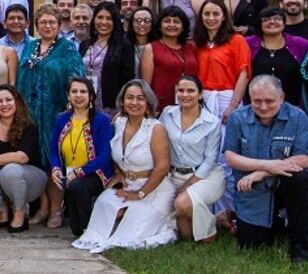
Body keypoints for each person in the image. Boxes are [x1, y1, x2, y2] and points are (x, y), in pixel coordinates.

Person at [72, 79, 176, 253]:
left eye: (140, 98)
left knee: (132, 228)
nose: (134, 103)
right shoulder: (118, 122)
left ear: (148, 102)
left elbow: (163, 167)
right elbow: (115, 153)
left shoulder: (155, 128)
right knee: (105, 203)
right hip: (128, 184)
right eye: (130, 98)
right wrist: (119, 172)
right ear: (123, 101)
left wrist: (140, 193)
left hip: (154, 190)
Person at [224, 75, 308, 262]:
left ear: (282, 98)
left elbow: (304, 158)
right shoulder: (238, 118)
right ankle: (274, 225)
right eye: (257, 101)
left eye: (270, 101)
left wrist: (263, 172)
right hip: (254, 192)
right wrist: (268, 165)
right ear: (249, 97)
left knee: (299, 178)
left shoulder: (297, 116)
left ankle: (300, 245)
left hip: (285, 185)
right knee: (252, 244)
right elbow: (231, 157)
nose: (263, 107)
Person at [17, 3, 86, 205]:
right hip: (29, 112)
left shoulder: (67, 48)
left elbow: (76, 78)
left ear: (58, 25)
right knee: (34, 159)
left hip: (54, 112)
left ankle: (56, 208)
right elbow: (22, 77)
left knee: (52, 160)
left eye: (52, 22)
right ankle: (43, 207)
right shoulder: (30, 46)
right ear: (37, 24)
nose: (47, 26)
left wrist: (70, 106)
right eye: (43, 22)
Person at [0, 84, 47, 233]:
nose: (4, 104)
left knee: (10, 169)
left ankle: (19, 212)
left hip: (29, 180)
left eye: (8, 100)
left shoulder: (28, 126)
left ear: (16, 102)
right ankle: (3, 210)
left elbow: (22, 157)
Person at [160, 76, 225, 242]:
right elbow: (157, 139)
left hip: (205, 176)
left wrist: (186, 186)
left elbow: (211, 159)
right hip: (174, 174)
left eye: (190, 90)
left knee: (182, 204)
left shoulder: (211, 122)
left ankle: (210, 232)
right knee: (187, 236)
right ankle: (217, 220)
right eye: (181, 90)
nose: (185, 94)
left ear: (201, 94)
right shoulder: (167, 114)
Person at [48, 77, 114, 234]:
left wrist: (79, 172)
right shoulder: (61, 119)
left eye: (83, 91)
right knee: (74, 228)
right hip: (70, 174)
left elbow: (104, 155)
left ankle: (90, 232)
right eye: (74, 91)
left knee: (78, 185)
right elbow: (53, 150)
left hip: (96, 174)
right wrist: (56, 168)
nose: (78, 95)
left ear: (91, 96)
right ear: (68, 96)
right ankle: (81, 228)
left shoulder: (102, 120)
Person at [194, 0, 251, 124]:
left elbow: (244, 74)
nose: (211, 18)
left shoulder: (237, 40)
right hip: (201, 99)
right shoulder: (197, 43)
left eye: (216, 14)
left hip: (227, 99)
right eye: (206, 14)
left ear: (224, 16)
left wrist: (233, 106)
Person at [245, 7, 308, 110]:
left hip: (293, 108)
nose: (272, 22)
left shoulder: (301, 44)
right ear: (259, 24)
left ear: (284, 23)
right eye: (266, 19)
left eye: (277, 19)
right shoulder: (247, 44)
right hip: (256, 108)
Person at [82, 2, 137, 115]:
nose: (104, 22)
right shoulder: (85, 44)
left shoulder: (124, 45)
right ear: (94, 20)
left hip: (112, 108)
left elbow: (128, 79)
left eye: (109, 18)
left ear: (115, 22)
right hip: (85, 105)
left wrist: (123, 108)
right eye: (100, 17)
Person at [141, 7, 199, 115]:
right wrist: (148, 107)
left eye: (176, 22)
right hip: (162, 107)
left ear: (183, 27)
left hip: (190, 104)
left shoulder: (191, 47)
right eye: (167, 21)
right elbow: (146, 85)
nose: (172, 25)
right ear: (159, 26)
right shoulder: (151, 48)